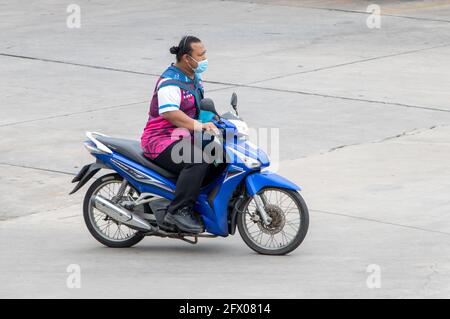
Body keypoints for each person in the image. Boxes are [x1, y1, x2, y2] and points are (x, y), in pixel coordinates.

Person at [140, 35, 219, 234]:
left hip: (183, 136)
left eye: (205, 54)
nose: (204, 60)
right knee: (197, 160)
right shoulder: (170, 82)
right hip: (160, 139)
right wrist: (199, 126)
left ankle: (198, 205)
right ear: (186, 58)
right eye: (200, 56)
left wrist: (219, 120)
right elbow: (171, 114)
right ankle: (177, 212)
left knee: (219, 157)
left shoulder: (194, 78)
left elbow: (200, 107)